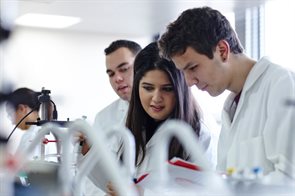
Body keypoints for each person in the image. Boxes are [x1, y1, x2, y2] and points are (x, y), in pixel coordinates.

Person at [158, 6, 295, 180]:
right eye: (183, 73)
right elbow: (227, 180)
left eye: (193, 68)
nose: (189, 82)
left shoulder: (282, 84)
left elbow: (290, 179)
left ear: (222, 50)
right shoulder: (231, 107)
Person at [105, 42, 217, 195]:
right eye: (148, 88)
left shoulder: (199, 136)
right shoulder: (130, 125)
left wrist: (141, 193)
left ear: (180, 90)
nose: (156, 98)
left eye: (167, 89)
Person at [6, 87, 57, 161]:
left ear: (22, 109)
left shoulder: (33, 135)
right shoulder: (39, 131)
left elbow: (27, 170)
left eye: (11, 115)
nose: (13, 123)